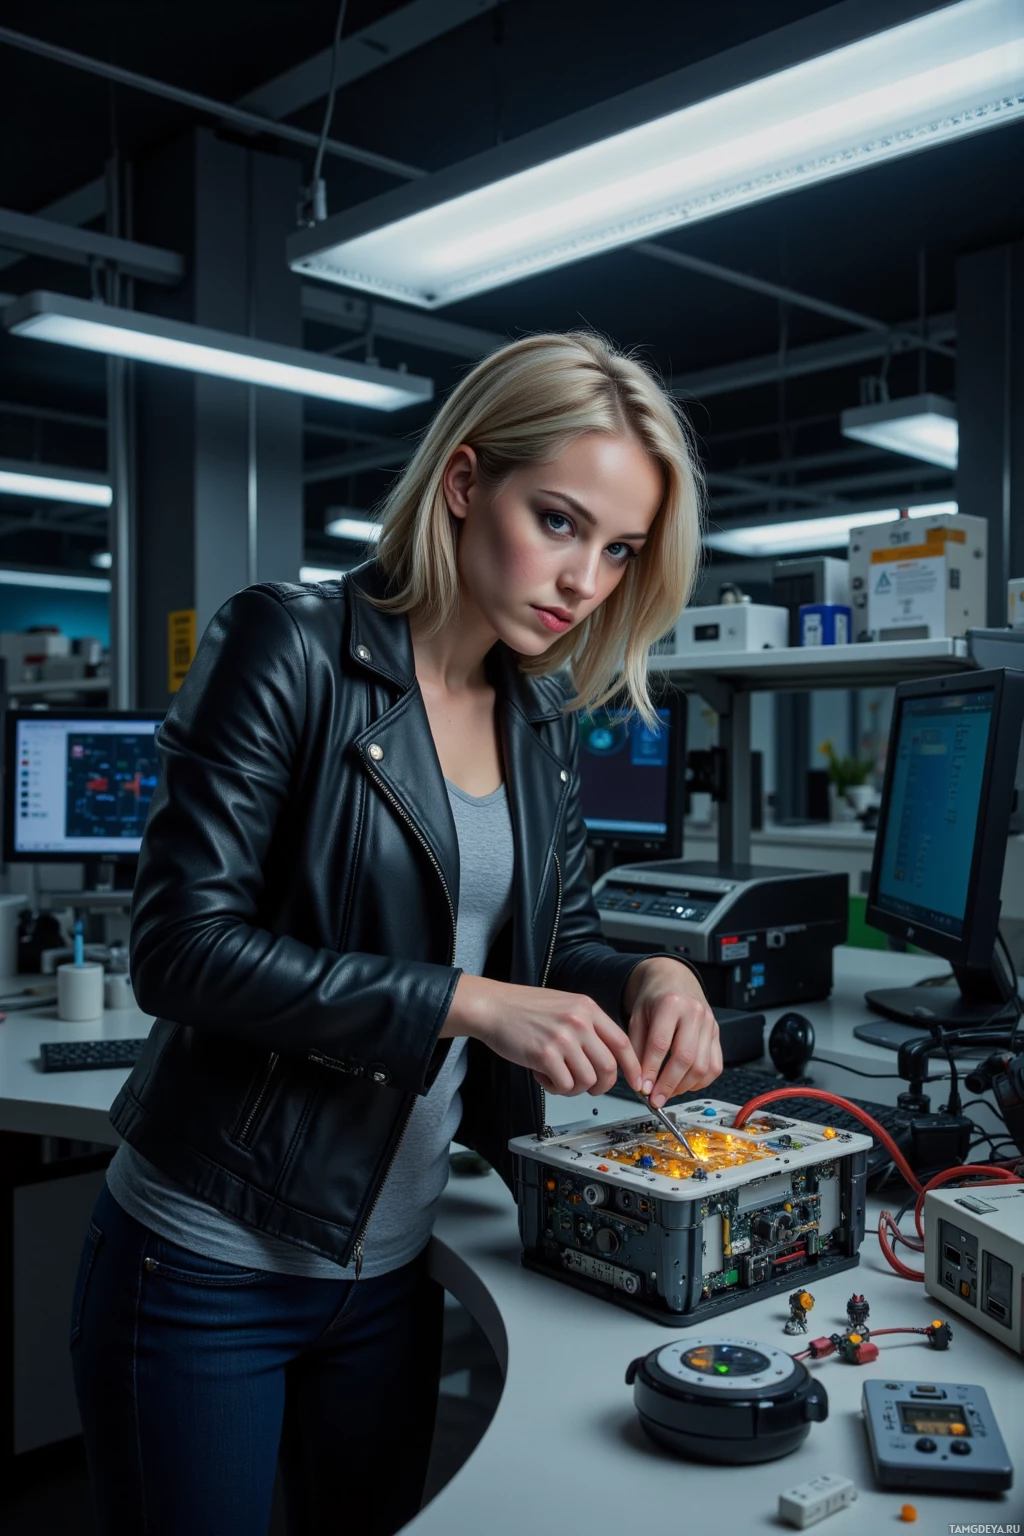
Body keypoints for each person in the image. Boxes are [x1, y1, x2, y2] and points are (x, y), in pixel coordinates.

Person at [70, 330, 721, 1536]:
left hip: (389, 1268)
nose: (587, 580)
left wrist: (653, 970)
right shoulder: (289, 646)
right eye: (562, 521)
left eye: (620, 549)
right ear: (465, 484)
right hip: (208, 1260)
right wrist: (462, 1001)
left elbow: (558, 946)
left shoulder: (535, 720)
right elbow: (179, 948)